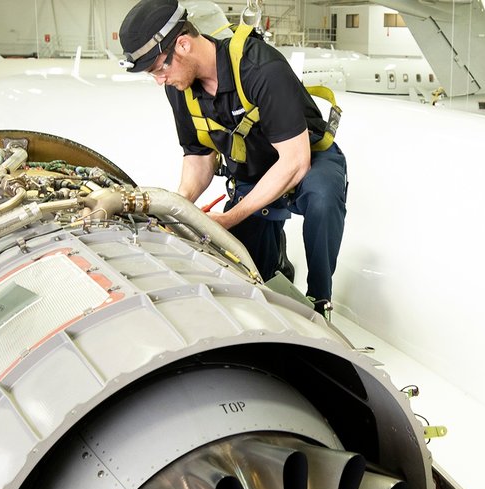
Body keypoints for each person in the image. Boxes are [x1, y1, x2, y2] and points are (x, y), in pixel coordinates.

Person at [119, 0, 349, 314]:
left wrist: (229, 218)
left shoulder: (259, 68)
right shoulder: (179, 88)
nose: (160, 79)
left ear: (183, 44)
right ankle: (276, 262)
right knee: (242, 272)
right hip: (252, 173)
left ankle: (319, 299)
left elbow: (295, 162)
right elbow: (199, 159)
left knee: (322, 198)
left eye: (160, 68)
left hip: (306, 159)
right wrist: (176, 209)